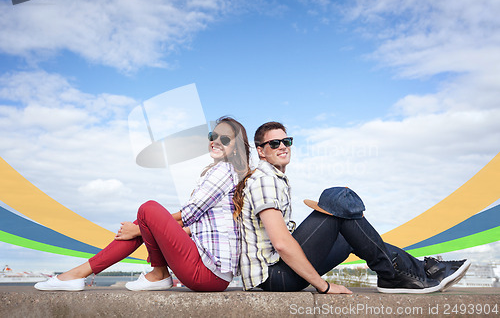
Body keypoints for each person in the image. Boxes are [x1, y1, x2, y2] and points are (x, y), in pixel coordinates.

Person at [234, 121, 470, 294]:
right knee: (337, 203)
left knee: (348, 235)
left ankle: (411, 271)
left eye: (287, 141)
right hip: (275, 278)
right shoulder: (265, 179)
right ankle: (419, 271)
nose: (283, 146)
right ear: (261, 151)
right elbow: (282, 243)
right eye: (274, 143)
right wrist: (324, 286)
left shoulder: (273, 178)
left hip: (279, 275)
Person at [35, 116, 250, 292]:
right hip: (212, 274)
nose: (216, 141)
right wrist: (144, 229)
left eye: (225, 139)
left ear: (237, 147)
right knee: (146, 217)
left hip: (207, 275)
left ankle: (156, 273)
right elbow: (194, 226)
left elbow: (189, 214)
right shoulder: (223, 173)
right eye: (213, 136)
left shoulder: (223, 171)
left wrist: (138, 229)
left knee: (148, 209)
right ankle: (82, 273)